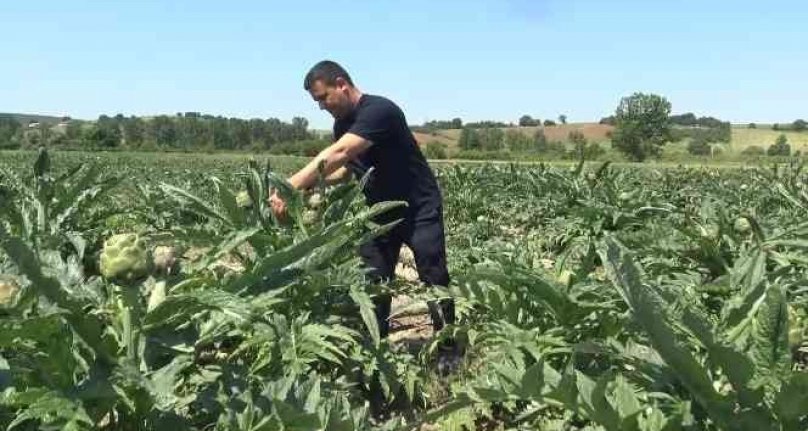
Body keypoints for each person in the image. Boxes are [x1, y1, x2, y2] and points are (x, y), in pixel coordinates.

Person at [268, 60, 459, 368]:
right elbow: (346, 169)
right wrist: (309, 187)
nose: (320, 107)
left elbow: (340, 153)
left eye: (322, 97)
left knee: (433, 275)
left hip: (419, 207)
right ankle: (375, 346)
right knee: (372, 279)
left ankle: (449, 349)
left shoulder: (379, 111)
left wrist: (289, 186)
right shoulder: (342, 124)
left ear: (341, 84)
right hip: (380, 211)